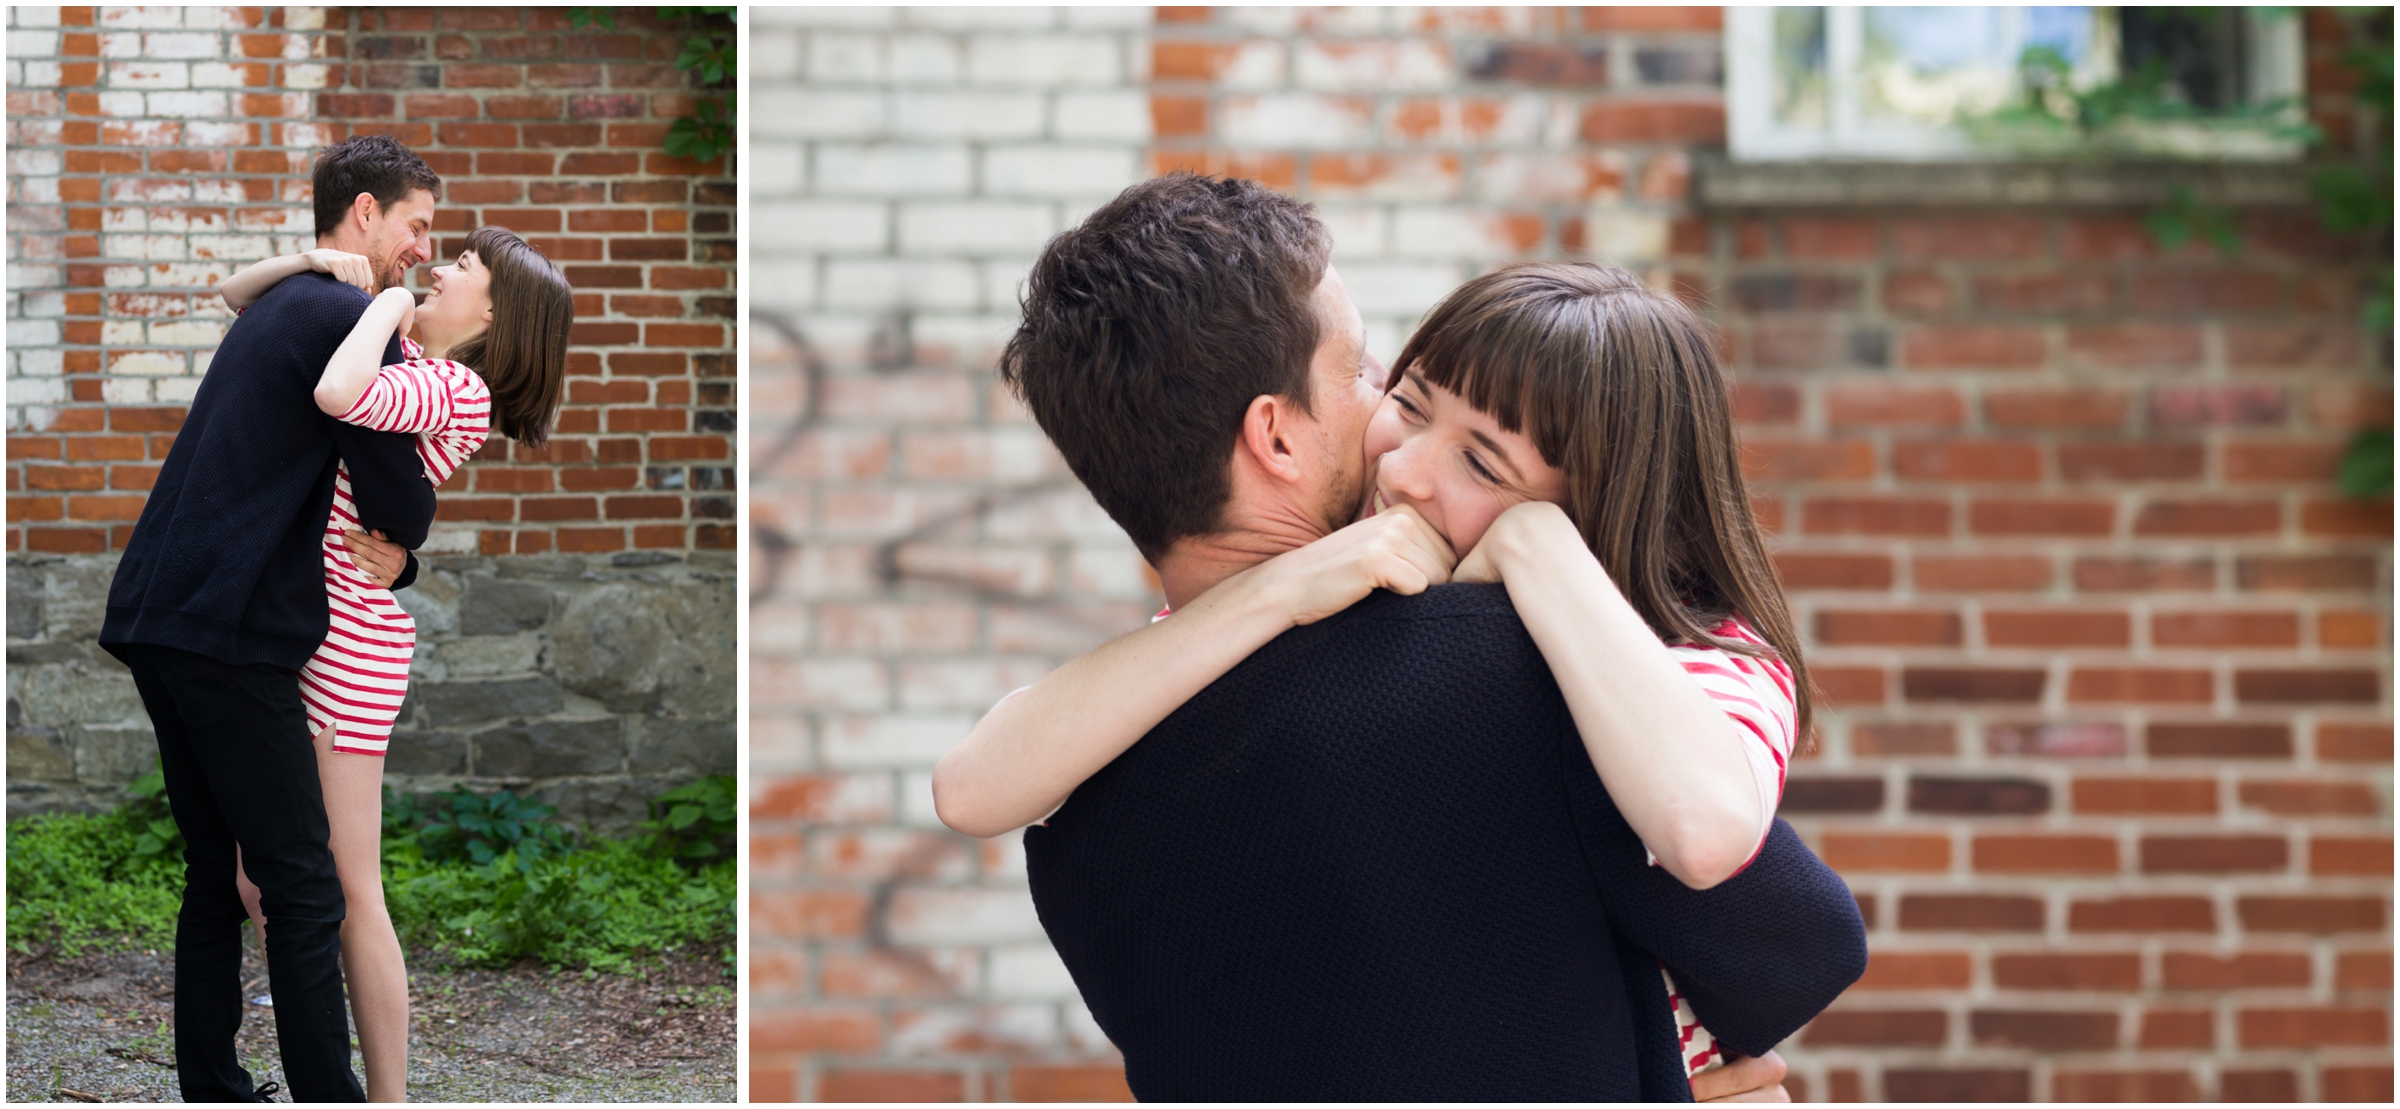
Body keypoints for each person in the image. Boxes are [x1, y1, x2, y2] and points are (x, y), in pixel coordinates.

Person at [937, 172, 1866, 1100]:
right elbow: (1799, 949)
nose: (1397, 446)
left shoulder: (1098, 796)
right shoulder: (1500, 666)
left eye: (1479, 457)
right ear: (1277, 437)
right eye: (1376, 378)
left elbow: (975, 787)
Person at [100, 134, 442, 1103]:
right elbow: (400, 502)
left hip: (156, 610)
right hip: (232, 626)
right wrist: (408, 548)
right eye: (417, 225)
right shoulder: (345, 317)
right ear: (366, 213)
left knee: (218, 872)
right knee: (302, 884)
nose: (424, 249)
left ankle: (215, 1086)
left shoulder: (289, 299)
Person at [211, 223, 573, 1102]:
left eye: (463, 269)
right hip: (306, 622)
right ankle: (317, 1012)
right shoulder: (411, 355)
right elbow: (235, 294)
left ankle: (387, 1095)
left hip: (351, 644)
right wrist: (311, 265)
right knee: (257, 869)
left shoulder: (454, 387)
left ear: (494, 312)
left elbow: (338, 391)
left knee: (350, 884)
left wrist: (383, 302)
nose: (437, 269)